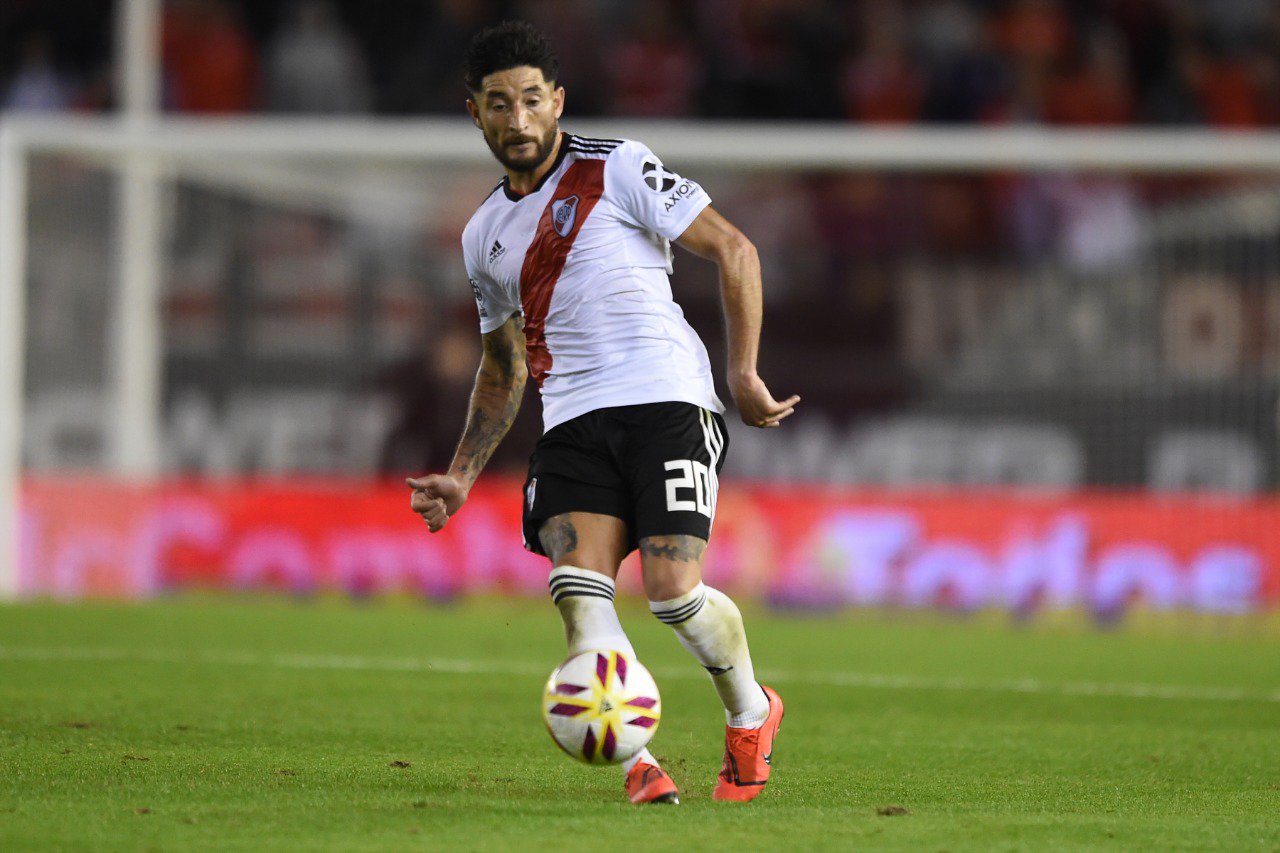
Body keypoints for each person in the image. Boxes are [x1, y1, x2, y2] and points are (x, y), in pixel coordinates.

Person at [406, 20, 799, 806]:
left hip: (665, 398)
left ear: (557, 100)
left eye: (531, 99)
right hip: (572, 423)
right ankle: (637, 761)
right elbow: (502, 366)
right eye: (498, 104)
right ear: (475, 113)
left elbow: (735, 249)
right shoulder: (482, 235)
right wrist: (461, 474)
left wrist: (744, 372)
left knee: (672, 591)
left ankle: (751, 710)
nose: (518, 118)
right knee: (580, 596)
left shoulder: (615, 166)